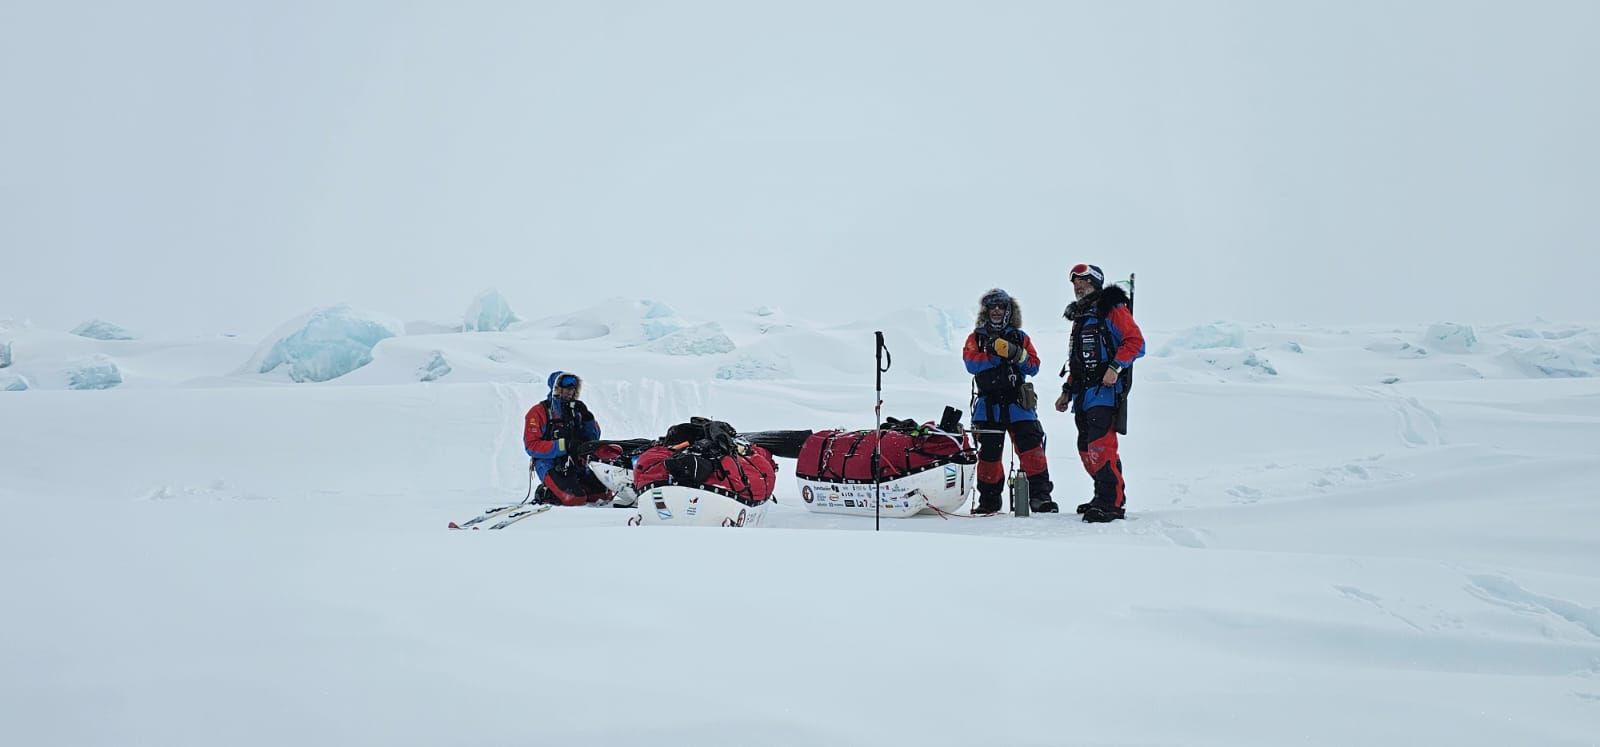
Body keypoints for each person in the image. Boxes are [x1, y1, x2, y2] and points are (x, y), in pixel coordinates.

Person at [1053, 264, 1145, 523]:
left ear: (1096, 283)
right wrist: (1066, 391)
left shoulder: (1112, 309)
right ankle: (1102, 494)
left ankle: (1112, 503)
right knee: (1085, 447)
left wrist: (1116, 367)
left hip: (1105, 391)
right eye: (1075, 283)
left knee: (1100, 445)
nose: (1078, 286)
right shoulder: (1082, 317)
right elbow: (1079, 361)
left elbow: (1136, 342)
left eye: (1083, 281)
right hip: (1083, 392)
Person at [963, 288, 1056, 514]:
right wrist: (994, 357)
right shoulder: (976, 338)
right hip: (988, 406)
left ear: (1008, 310)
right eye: (992, 306)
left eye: (1001, 306)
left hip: (1018, 404)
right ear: (986, 310)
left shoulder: (1020, 337)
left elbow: (1033, 366)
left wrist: (1016, 354)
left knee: (1032, 450)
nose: (996, 310)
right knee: (989, 457)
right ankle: (989, 501)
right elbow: (971, 364)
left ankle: (1040, 497)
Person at [523, 371, 612, 506]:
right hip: (549, 464)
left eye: (572, 388)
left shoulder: (577, 411)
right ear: (556, 388)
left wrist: (588, 418)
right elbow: (531, 446)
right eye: (566, 387)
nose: (570, 391)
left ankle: (569, 487)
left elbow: (593, 438)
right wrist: (564, 446)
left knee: (604, 495)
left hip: (576, 465)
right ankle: (548, 493)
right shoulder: (538, 412)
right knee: (574, 499)